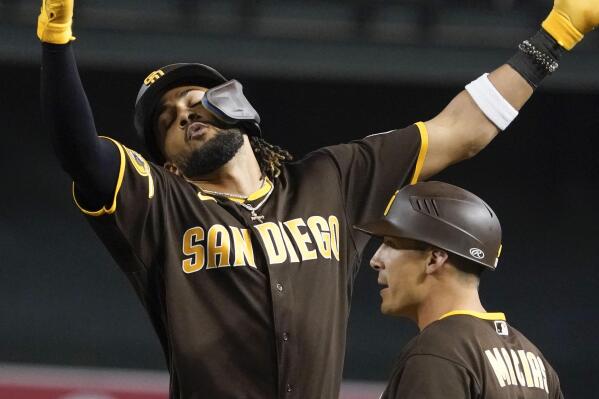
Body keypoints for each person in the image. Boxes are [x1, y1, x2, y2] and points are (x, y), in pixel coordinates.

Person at [37, 0, 595, 397]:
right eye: (166, 120)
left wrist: (559, 31)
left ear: (235, 105)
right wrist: (56, 36)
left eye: (194, 99)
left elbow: (461, 130)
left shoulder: (332, 180)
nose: (183, 113)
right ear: (164, 159)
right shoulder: (160, 205)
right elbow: (79, 152)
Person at [355, 181, 563, 399]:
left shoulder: (437, 352)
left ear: (434, 259)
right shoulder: (536, 361)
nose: (375, 260)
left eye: (391, 243)